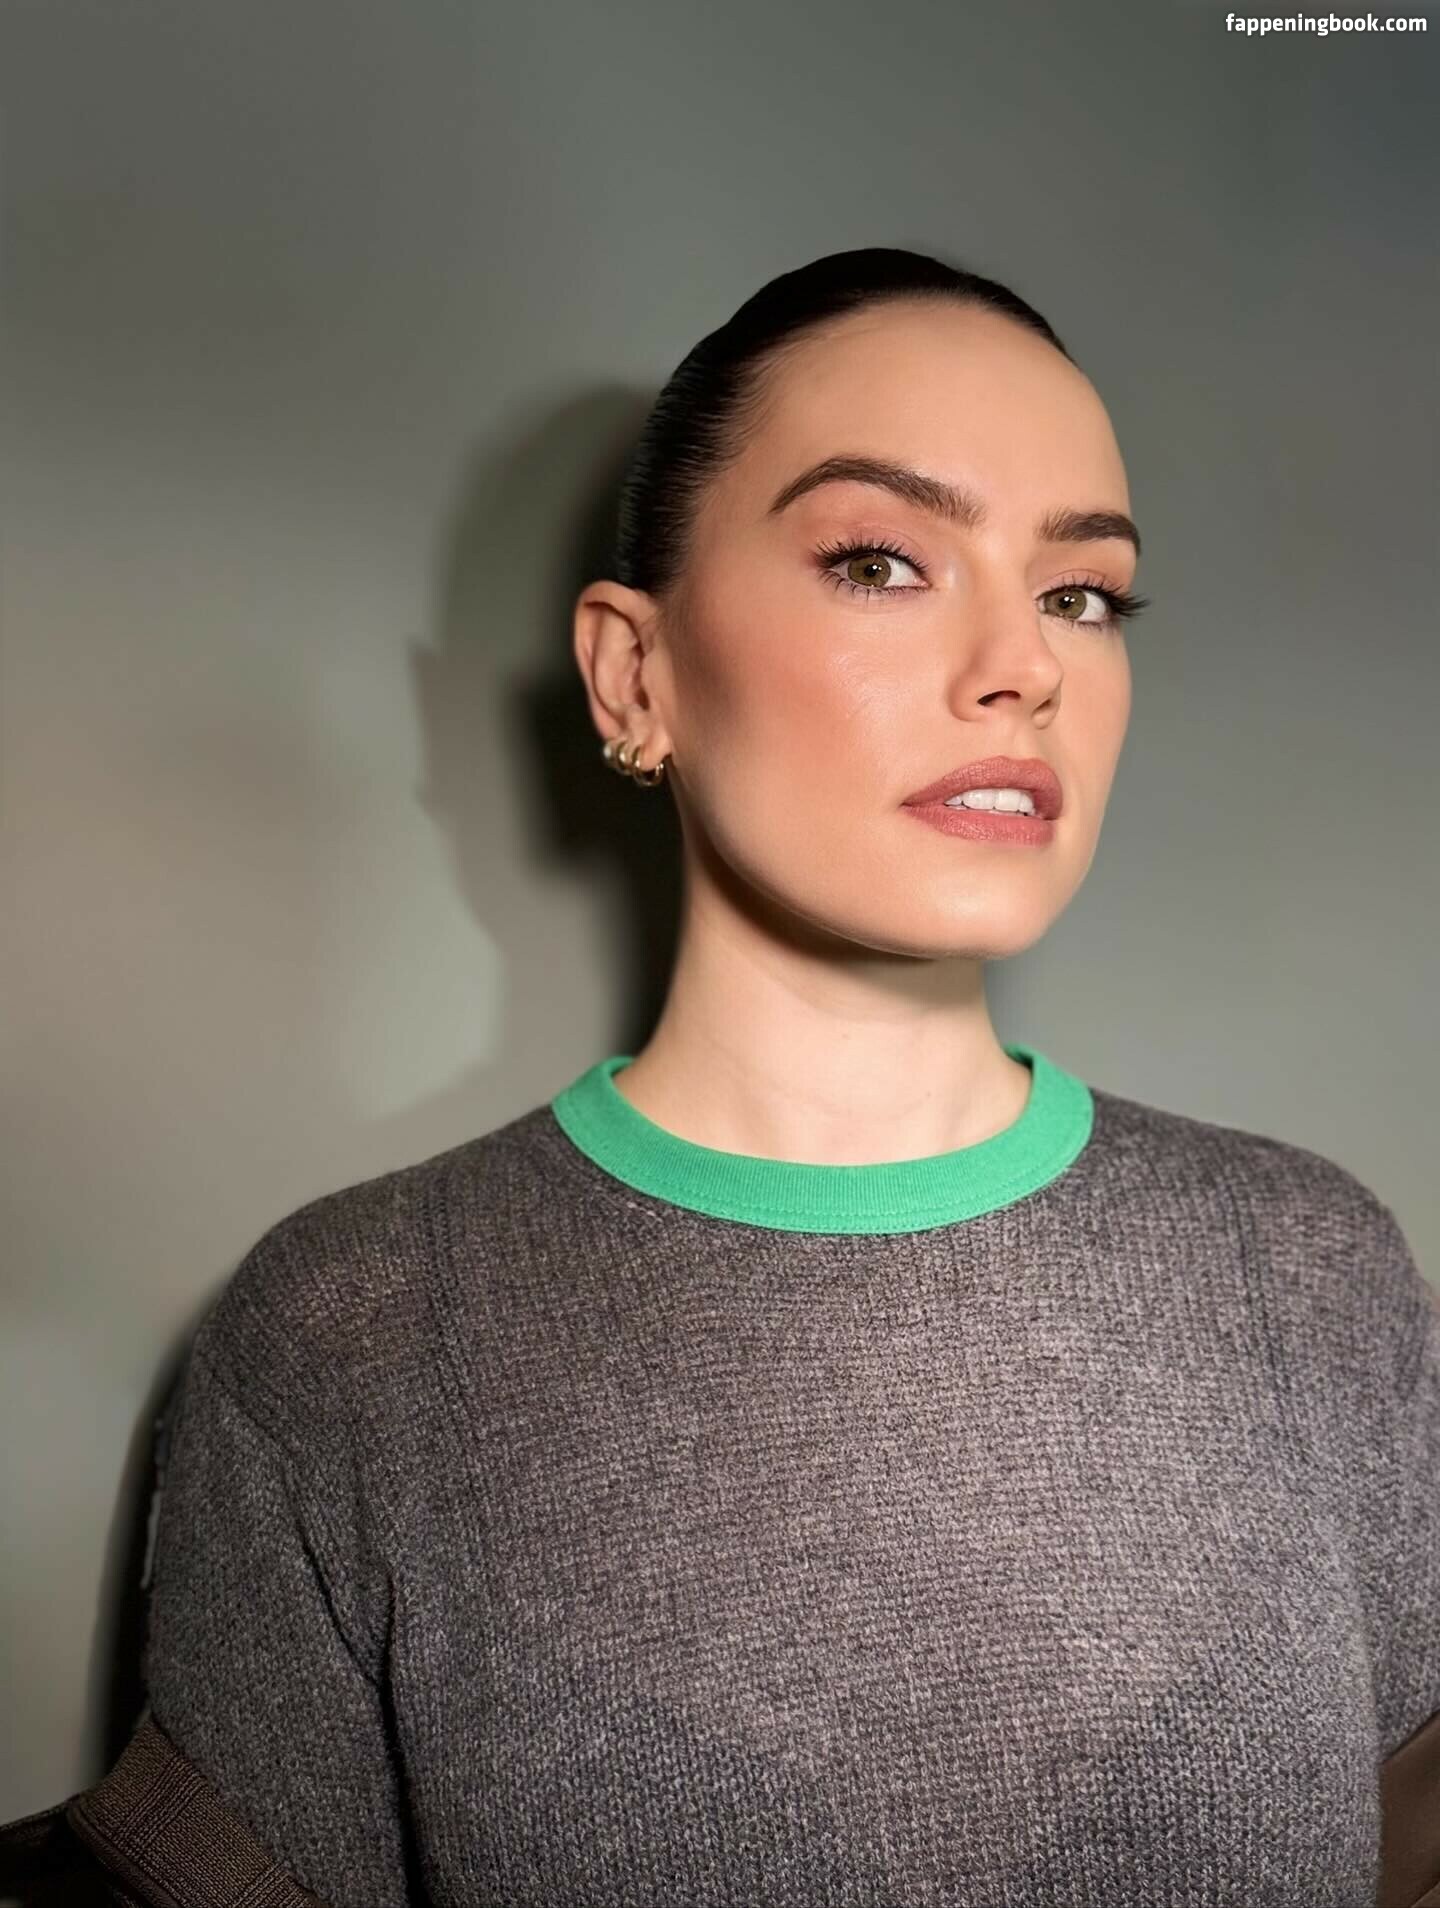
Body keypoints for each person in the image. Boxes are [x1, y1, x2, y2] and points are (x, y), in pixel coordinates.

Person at [140, 247, 1438, 1907]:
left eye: (1082, 594)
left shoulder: (1311, 1274)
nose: (1027, 665)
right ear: (634, 674)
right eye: (881, 561)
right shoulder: (350, 1339)